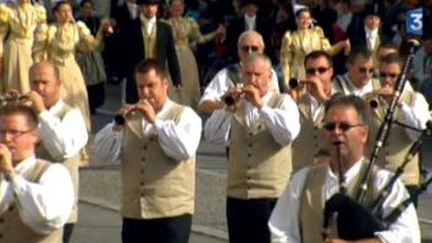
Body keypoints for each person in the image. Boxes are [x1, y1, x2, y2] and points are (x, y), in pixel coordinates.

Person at [268, 94, 420, 243]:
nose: (336, 132)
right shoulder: (302, 181)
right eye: (330, 126)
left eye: (344, 126)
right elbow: (281, 231)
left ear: (364, 134)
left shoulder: (382, 182)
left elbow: (408, 236)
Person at [93, 58, 201, 243]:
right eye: (140, 87)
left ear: (165, 84)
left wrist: (155, 121)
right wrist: (116, 127)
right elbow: (102, 154)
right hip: (134, 215)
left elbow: (183, 150)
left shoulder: (185, 116)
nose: (145, 93)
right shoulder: (130, 118)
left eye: (151, 86)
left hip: (172, 215)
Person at [204, 53, 300, 243]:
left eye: (257, 75)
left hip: (272, 197)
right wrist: (225, 109)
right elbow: (211, 135)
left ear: (269, 77)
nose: (252, 80)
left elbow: (287, 134)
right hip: (238, 197)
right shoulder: (236, 103)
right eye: (248, 74)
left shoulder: (283, 103)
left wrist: (260, 105)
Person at [26, 60, 88, 243]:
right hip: (25, 209)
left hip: (58, 213)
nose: (39, 88)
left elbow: (62, 149)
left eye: (45, 83)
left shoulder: (72, 116)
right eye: (35, 83)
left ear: (58, 85)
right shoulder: (25, 115)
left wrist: (42, 113)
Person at [33, 0, 111, 135]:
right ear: (56, 14)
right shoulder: (50, 30)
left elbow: (91, 46)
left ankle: (78, 136)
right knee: (56, 104)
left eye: (69, 11)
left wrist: (100, 32)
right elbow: (38, 52)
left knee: (76, 103)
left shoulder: (76, 28)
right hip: (55, 70)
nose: (66, 14)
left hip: (72, 70)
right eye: (63, 12)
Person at [0, 103, 74, 242]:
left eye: (14, 132)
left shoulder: (54, 173)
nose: (6, 139)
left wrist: (11, 174)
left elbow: (46, 217)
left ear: (34, 135)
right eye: (2, 132)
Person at [365, 53, 430, 205]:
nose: (387, 80)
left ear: (404, 76)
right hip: (374, 179)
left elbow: (417, 133)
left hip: (404, 181)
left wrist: (400, 104)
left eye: (393, 76)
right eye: (383, 75)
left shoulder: (415, 99)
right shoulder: (369, 99)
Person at [198, 30, 280, 114]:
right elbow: (203, 105)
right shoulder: (226, 74)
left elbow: (276, 102)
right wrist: (227, 104)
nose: (250, 52)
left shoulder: (271, 73)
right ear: (238, 52)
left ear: (262, 51)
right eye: (245, 48)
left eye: (254, 48)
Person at [116, 0, 181, 104]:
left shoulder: (165, 29)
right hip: (136, 78)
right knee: (135, 110)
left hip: (157, 77)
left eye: (153, 5)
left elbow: (171, 55)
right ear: (140, 7)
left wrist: (176, 79)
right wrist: (124, 74)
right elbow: (122, 53)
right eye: (146, 5)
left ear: (157, 7)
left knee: (158, 110)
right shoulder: (130, 27)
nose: (150, 8)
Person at [165, 0, 225, 110]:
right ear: (169, 8)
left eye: (181, 5)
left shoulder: (190, 22)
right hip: (170, 57)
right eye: (175, 5)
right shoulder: (163, 24)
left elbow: (200, 39)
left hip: (187, 58)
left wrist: (215, 33)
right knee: (172, 86)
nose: (178, 8)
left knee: (188, 87)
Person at [280, 7, 349, 87]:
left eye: (308, 18)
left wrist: (342, 44)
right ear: (296, 19)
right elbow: (285, 61)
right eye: (302, 18)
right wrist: (286, 81)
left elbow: (328, 51)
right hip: (298, 75)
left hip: (316, 73)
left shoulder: (317, 33)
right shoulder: (290, 36)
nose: (305, 21)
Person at [291, 51, 335, 172]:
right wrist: (292, 102)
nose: (316, 75)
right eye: (311, 71)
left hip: (331, 173)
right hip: (302, 174)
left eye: (321, 70)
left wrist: (322, 96)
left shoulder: (342, 99)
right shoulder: (297, 101)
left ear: (331, 72)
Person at [0, 0, 46, 93]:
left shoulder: (37, 11)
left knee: (30, 80)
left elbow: (41, 34)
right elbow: (1, 34)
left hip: (31, 48)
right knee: (13, 81)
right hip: (13, 48)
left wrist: (41, 54)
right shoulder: (9, 11)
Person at [76, 0, 107, 115]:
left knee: (95, 81)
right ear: (81, 9)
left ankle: (92, 104)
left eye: (90, 8)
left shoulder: (95, 21)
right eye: (85, 8)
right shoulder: (76, 22)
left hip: (93, 55)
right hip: (80, 55)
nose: (87, 10)